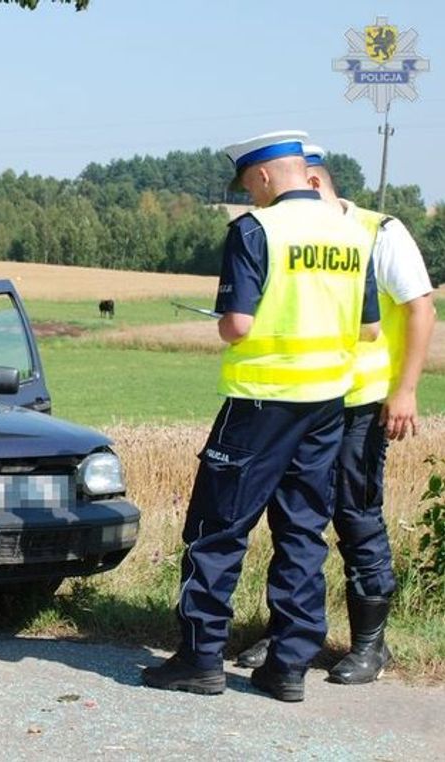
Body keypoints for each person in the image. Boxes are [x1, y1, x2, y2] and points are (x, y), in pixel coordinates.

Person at [141, 131, 380, 702]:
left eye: (250, 184)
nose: (251, 194)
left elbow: (238, 325)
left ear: (267, 176)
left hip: (260, 399)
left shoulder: (256, 230)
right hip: (327, 402)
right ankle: (289, 666)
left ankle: (200, 657)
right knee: (301, 528)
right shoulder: (352, 234)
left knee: (216, 528)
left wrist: (229, 323)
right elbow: (370, 328)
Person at [234, 144, 436, 684]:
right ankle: (289, 634)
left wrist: (406, 390)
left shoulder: (379, 231)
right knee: (294, 520)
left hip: (360, 405)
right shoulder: (299, 232)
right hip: (301, 402)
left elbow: (420, 307)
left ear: (315, 184)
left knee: (355, 515)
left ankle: (371, 644)